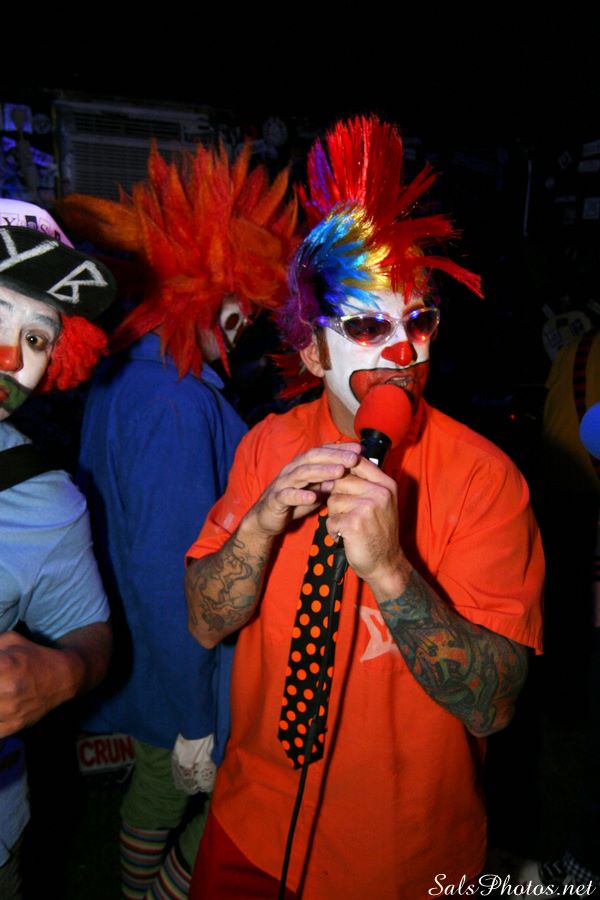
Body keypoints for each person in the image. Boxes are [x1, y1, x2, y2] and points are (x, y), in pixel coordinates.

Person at [184, 116, 545, 899]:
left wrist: (390, 572)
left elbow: (493, 705)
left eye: (419, 321)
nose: (403, 353)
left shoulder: (486, 480)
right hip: (251, 826)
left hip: (404, 857)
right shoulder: (265, 446)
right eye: (368, 326)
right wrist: (258, 528)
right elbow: (205, 622)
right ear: (312, 349)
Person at [59, 140, 298, 899]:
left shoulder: (136, 378)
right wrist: (197, 713)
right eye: (239, 306)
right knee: (197, 797)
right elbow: (171, 569)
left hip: (146, 652)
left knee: (162, 793)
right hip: (176, 668)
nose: (247, 323)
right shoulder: (173, 402)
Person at [0, 199, 115, 898]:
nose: (12, 356)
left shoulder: (43, 498)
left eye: (37, 337)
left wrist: (64, 673)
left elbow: (91, 635)